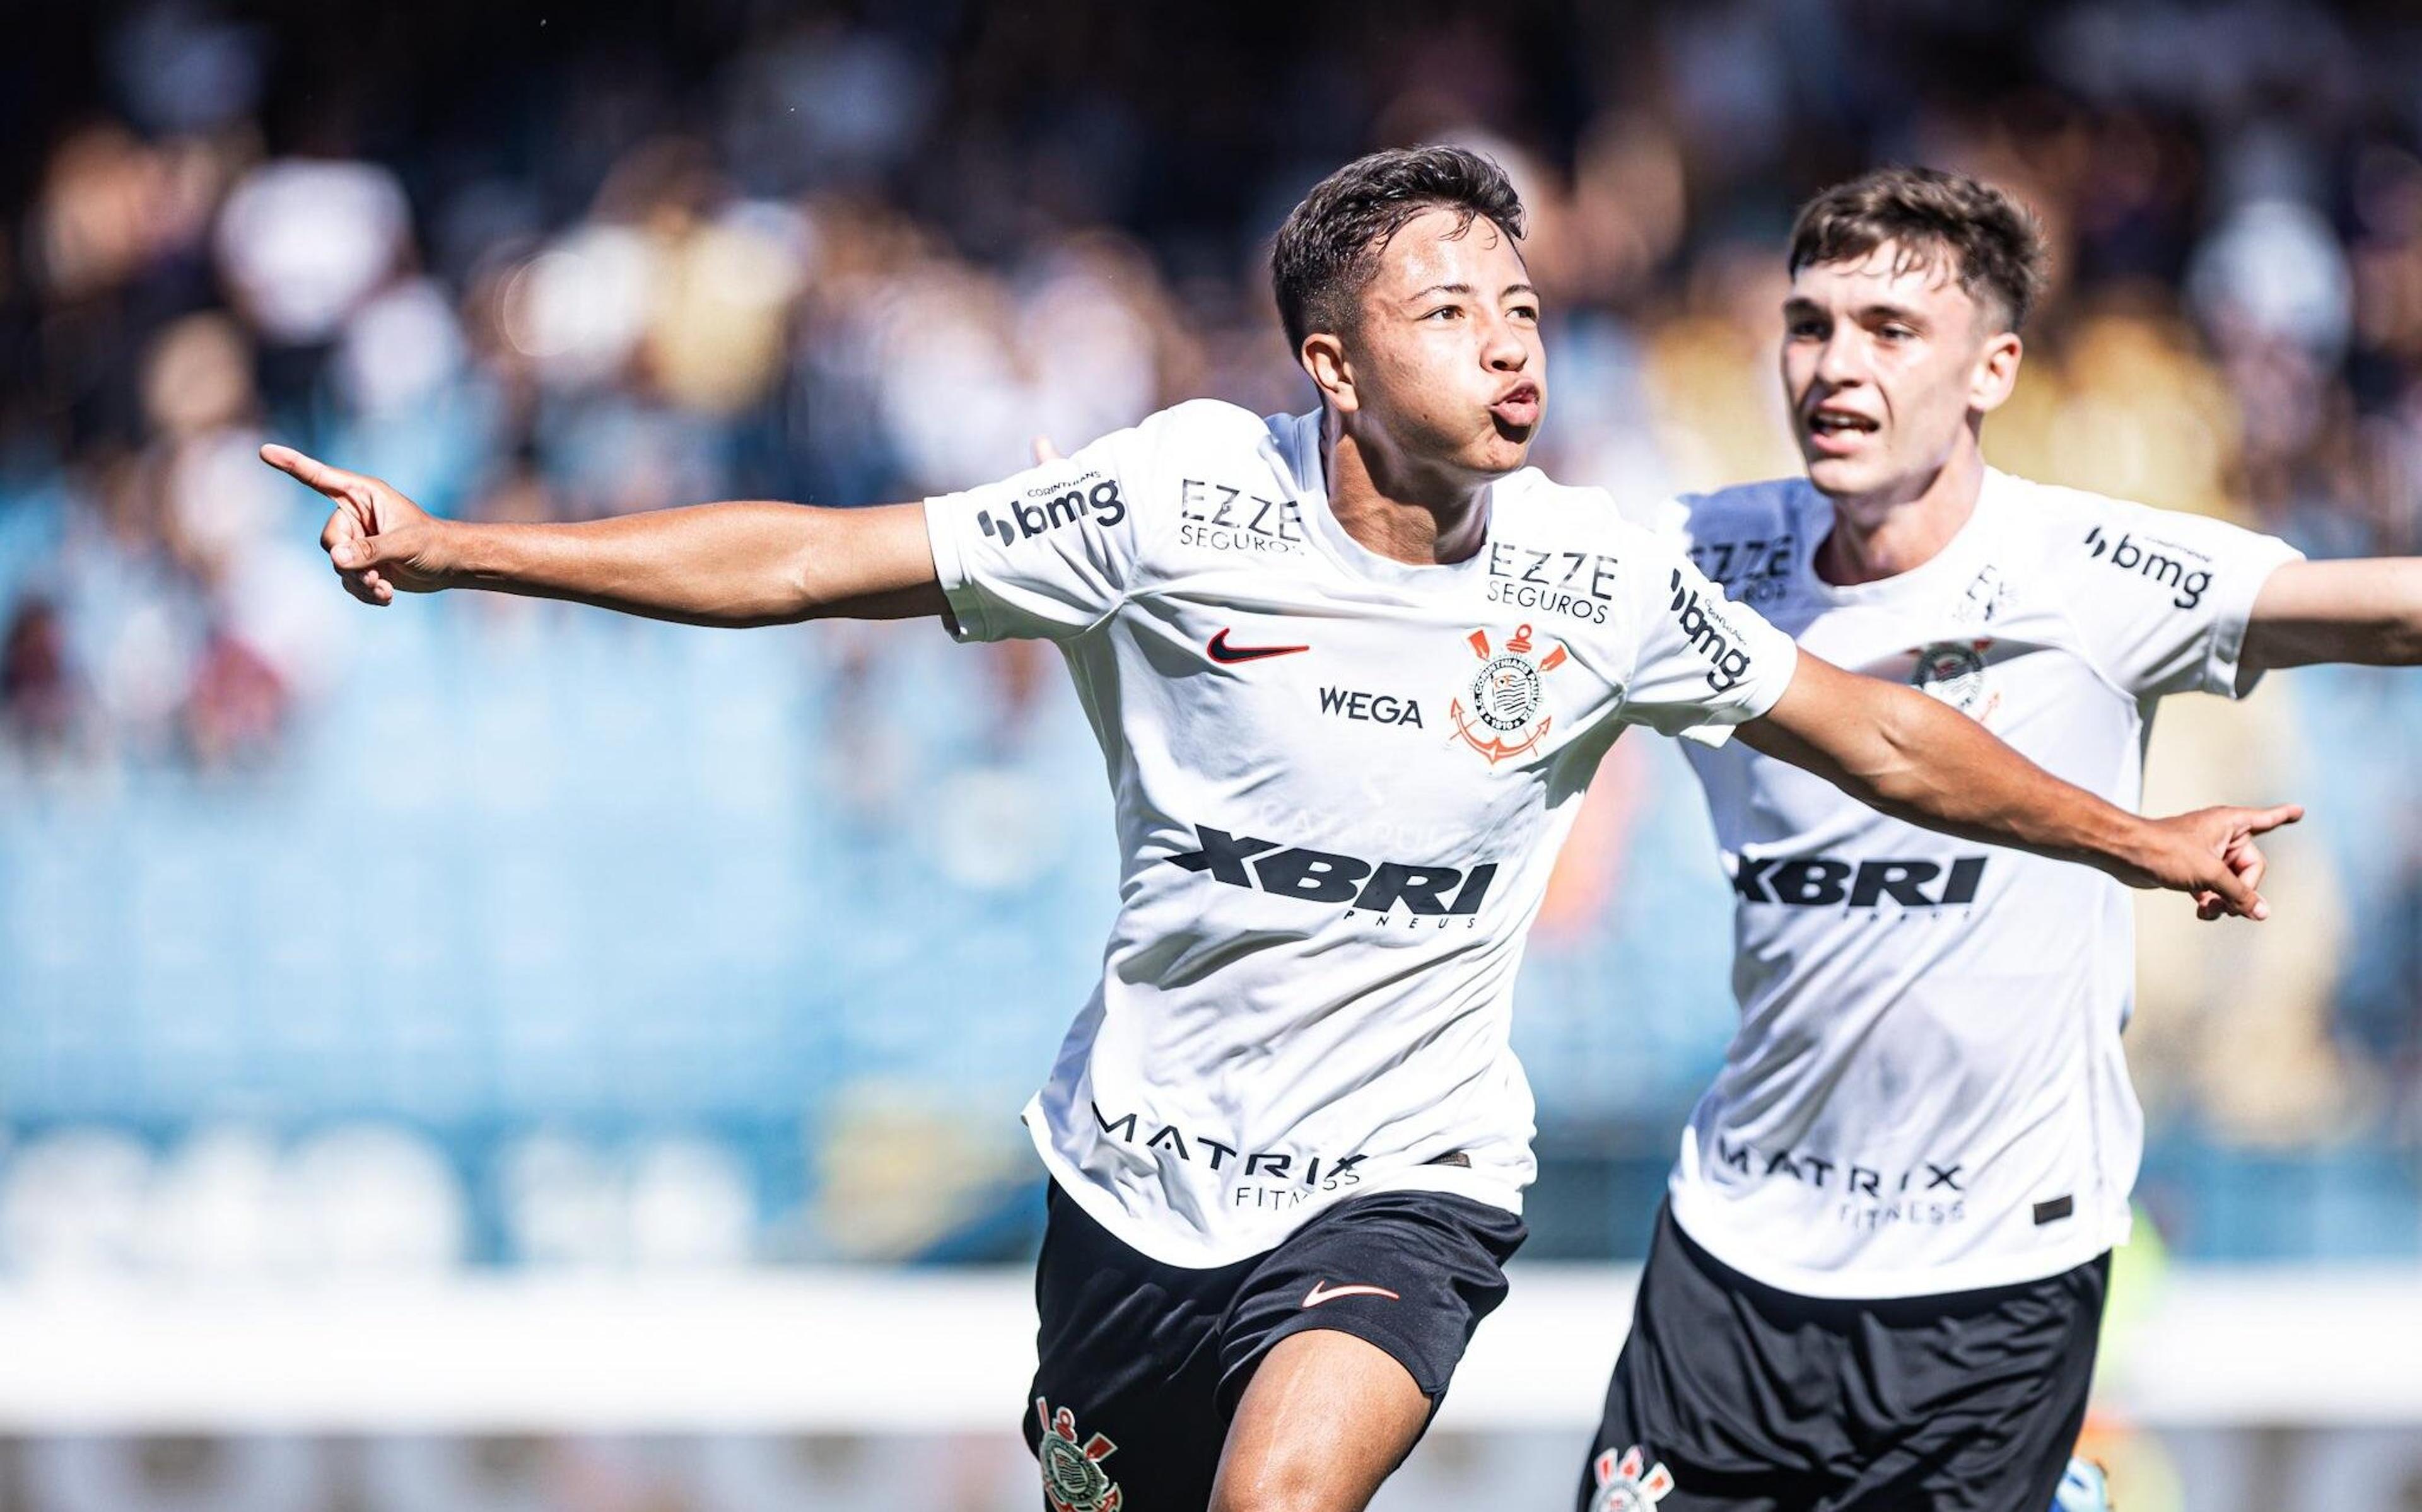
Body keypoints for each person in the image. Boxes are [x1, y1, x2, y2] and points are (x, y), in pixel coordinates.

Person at [264, 148, 2290, 1512]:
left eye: (1520, 303)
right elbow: (817, 559)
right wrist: (468, 549)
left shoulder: (1595, 575)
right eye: (1447, 311)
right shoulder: (1171, 502)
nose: (1510, 342)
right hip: (1135, 1180)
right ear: (1333, 365)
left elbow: (1880, 732)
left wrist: (2135, 836)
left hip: (1400, 1191)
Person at [1578, 165, 2422, 1512]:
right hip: (1736, 1245)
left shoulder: (2088, 565)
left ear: (1993, 368)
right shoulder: (1697, 553)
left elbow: (2376, 611)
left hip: (1993, 1272)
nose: (1835, 366)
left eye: (1891, 331)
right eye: (1811, 324)